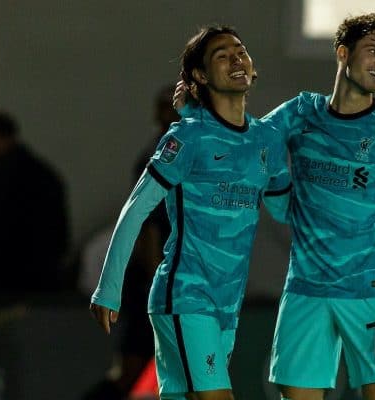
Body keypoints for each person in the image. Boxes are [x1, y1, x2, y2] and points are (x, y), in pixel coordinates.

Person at [171, 12, 375, 400]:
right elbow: (248, 146)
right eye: (373, 51)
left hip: (370, 291)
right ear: (342, 53)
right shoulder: (301, 112)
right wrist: (196, 120)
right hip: (305, 291)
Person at [90, 25, 291, 400]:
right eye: (221, 55)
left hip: (227, 304)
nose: (236, 58)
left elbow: (284, 209)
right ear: (201, 75)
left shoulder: (267, 140)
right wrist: (109, 288)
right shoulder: (188, 137)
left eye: (240, 51)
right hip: (185, 295)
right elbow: (135, 212)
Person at [82, 86, 177, 400]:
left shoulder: (182, 151)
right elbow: (147, 225)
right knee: (132, 369)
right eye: (166, 107)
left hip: (171, 278)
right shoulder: (155, 157)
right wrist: (154, 278)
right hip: (154, 283)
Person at [0, 112, 69, 297]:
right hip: (41, 266)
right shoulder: (40, 171)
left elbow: (5, 224)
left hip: (17, 267)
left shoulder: (8, 173)